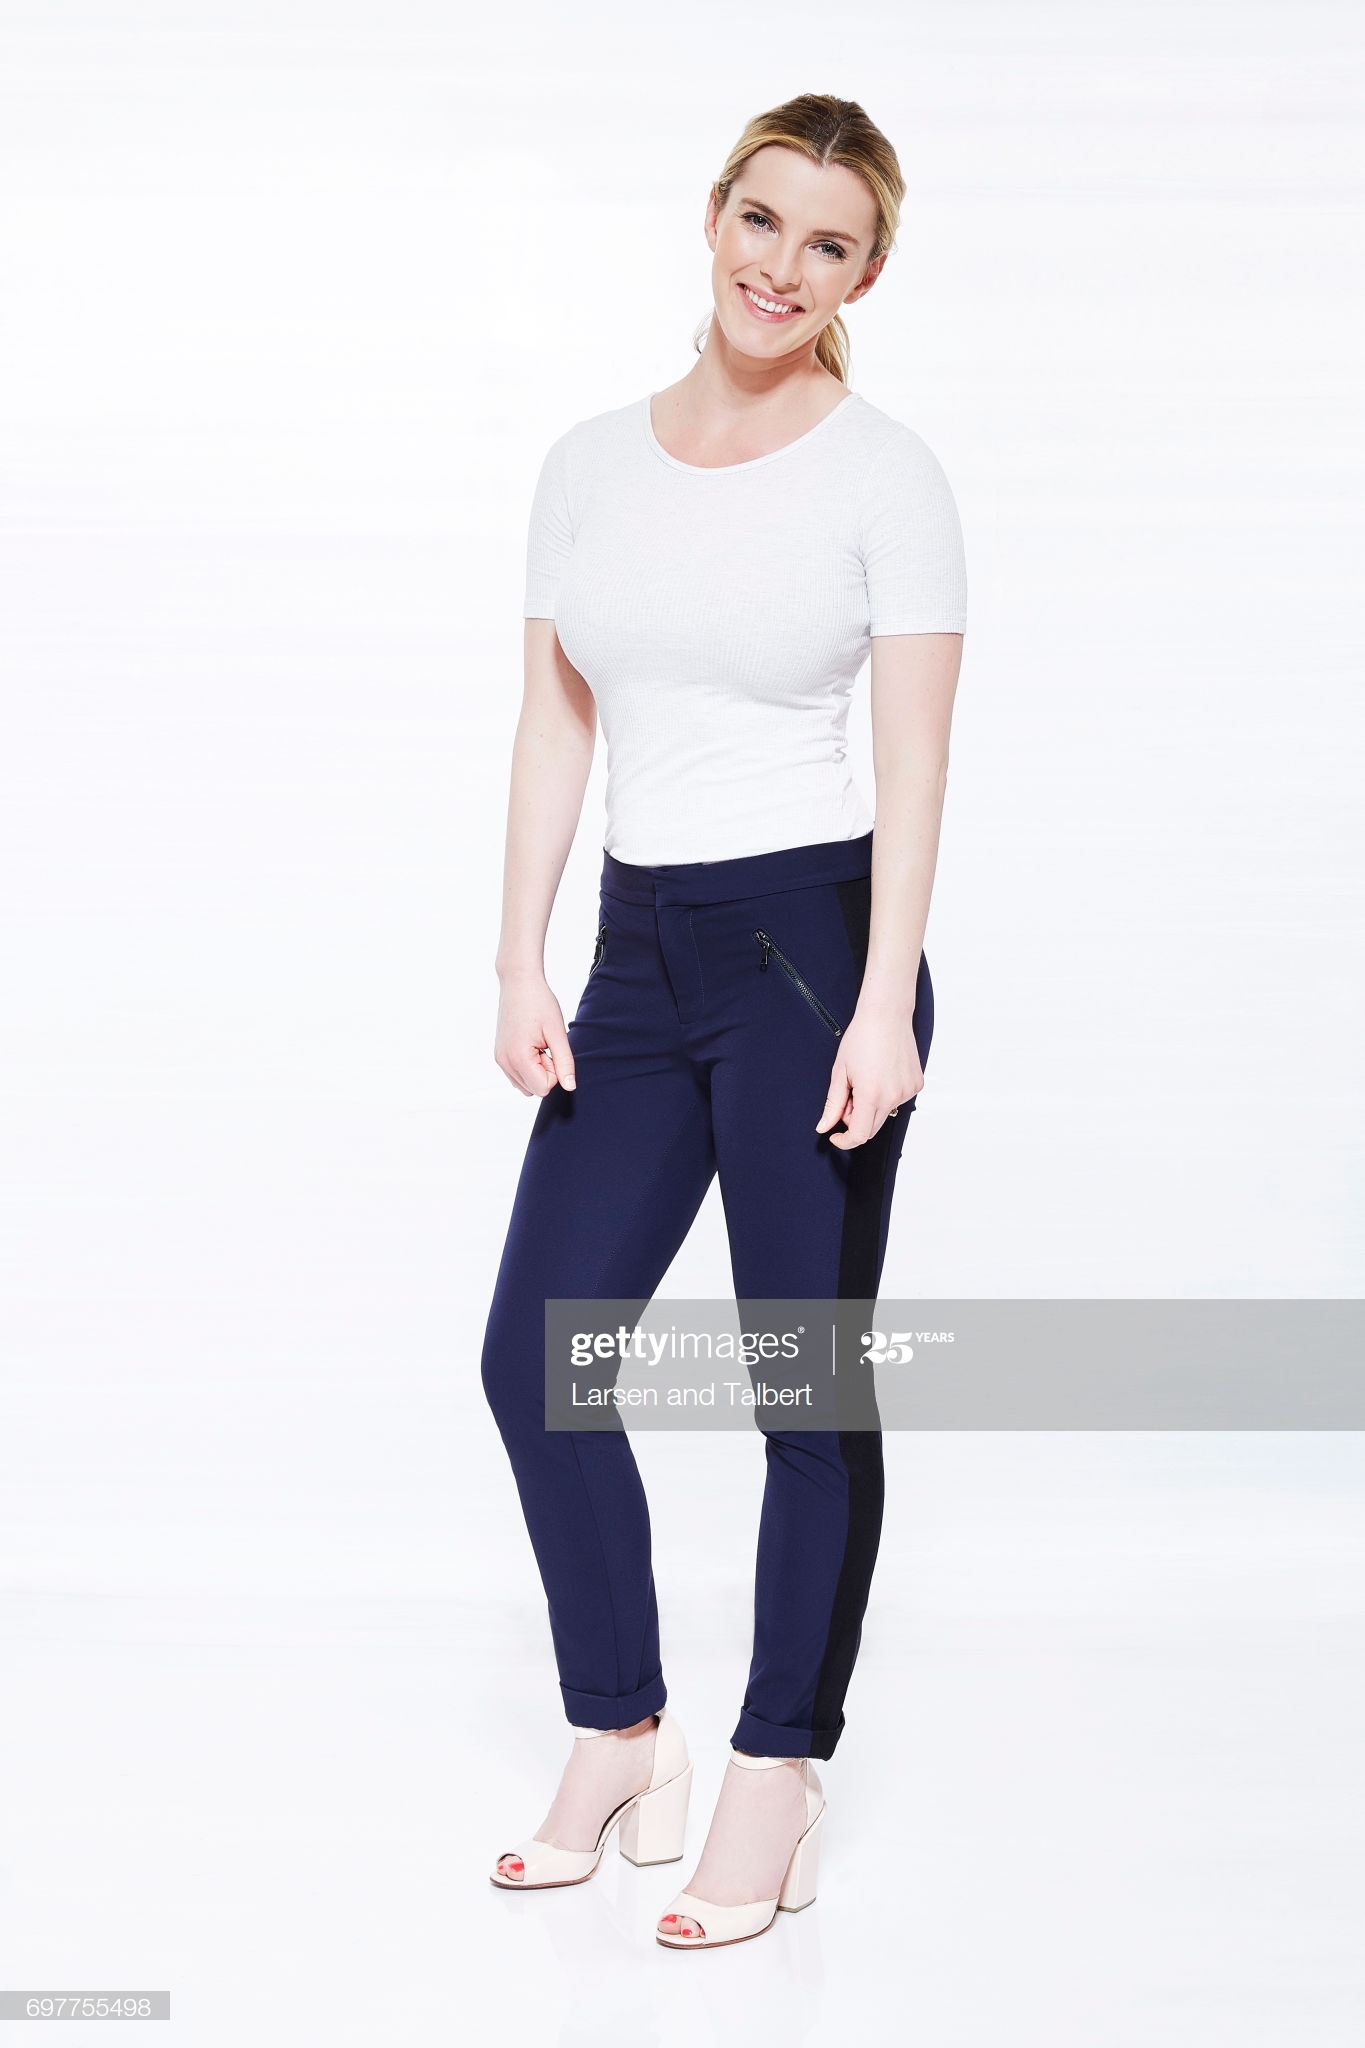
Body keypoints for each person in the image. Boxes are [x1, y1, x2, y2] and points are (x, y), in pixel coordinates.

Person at [480, 91, 966, 1950]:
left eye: (827, 243)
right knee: (537, 1359)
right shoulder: (588, 465)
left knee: (797, 1388)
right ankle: (622, 1735)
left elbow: (913, 764)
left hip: (806, 953)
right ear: (711, 217)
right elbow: (555, 722)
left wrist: (881, 1002)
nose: (782, 266)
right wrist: (518, 959)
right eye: (762, 221)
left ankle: (778, 1769)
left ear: (865, 274)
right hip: (632, 952)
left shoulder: (881, 475)